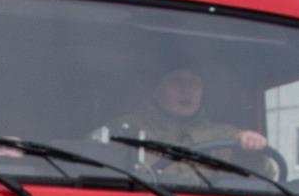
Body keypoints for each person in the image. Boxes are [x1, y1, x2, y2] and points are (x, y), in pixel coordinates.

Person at [110, 63, 268, 153]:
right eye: (176, 81)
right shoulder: (122, 130)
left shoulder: (226, 136)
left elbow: (262, 178)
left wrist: (252, 150)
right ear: (156, 90)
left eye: (195, 83)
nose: (187, 90)